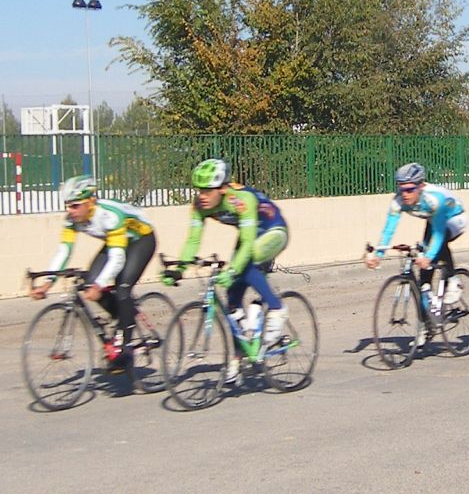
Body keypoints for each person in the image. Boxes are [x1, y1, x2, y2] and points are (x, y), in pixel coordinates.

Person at [173, 159, 289, 384]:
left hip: (273, 231)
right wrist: (180, 268)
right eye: (199, 190)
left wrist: (233, 270)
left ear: (223, 189)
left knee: (245, 263)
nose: (202, 195)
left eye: (207, 191)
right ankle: (238, 358)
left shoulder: (240, 200)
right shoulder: (199, 206)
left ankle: (277, 308)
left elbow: (247, 245)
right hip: (249, 235)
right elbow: (193, 240)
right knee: (232, 299)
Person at [28, 175, 157, 372]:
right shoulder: (72, 220)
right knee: (89, 283)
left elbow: (117, 258)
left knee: (122, 289)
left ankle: (124, 348)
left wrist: (101, 284)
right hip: (116, 242)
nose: (70, 211)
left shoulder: (109, 216)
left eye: (75, 205)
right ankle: (122, 316)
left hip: (141, 240)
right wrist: (48, 283)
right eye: (67, 205)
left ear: (91, 202)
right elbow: (64, 251)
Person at [366, 163, 468, 344]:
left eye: (410, 189)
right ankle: (426, 326)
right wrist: (378, 255)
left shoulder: (434, 199)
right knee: (423, 283)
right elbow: (389, 230)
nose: (405, 194)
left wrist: (428, 257)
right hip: (432, 221)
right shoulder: (398, 202)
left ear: (420, 186)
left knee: (436, 244)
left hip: (454, 217)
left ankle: (454, 280)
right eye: (401, 189)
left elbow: (438, 233)